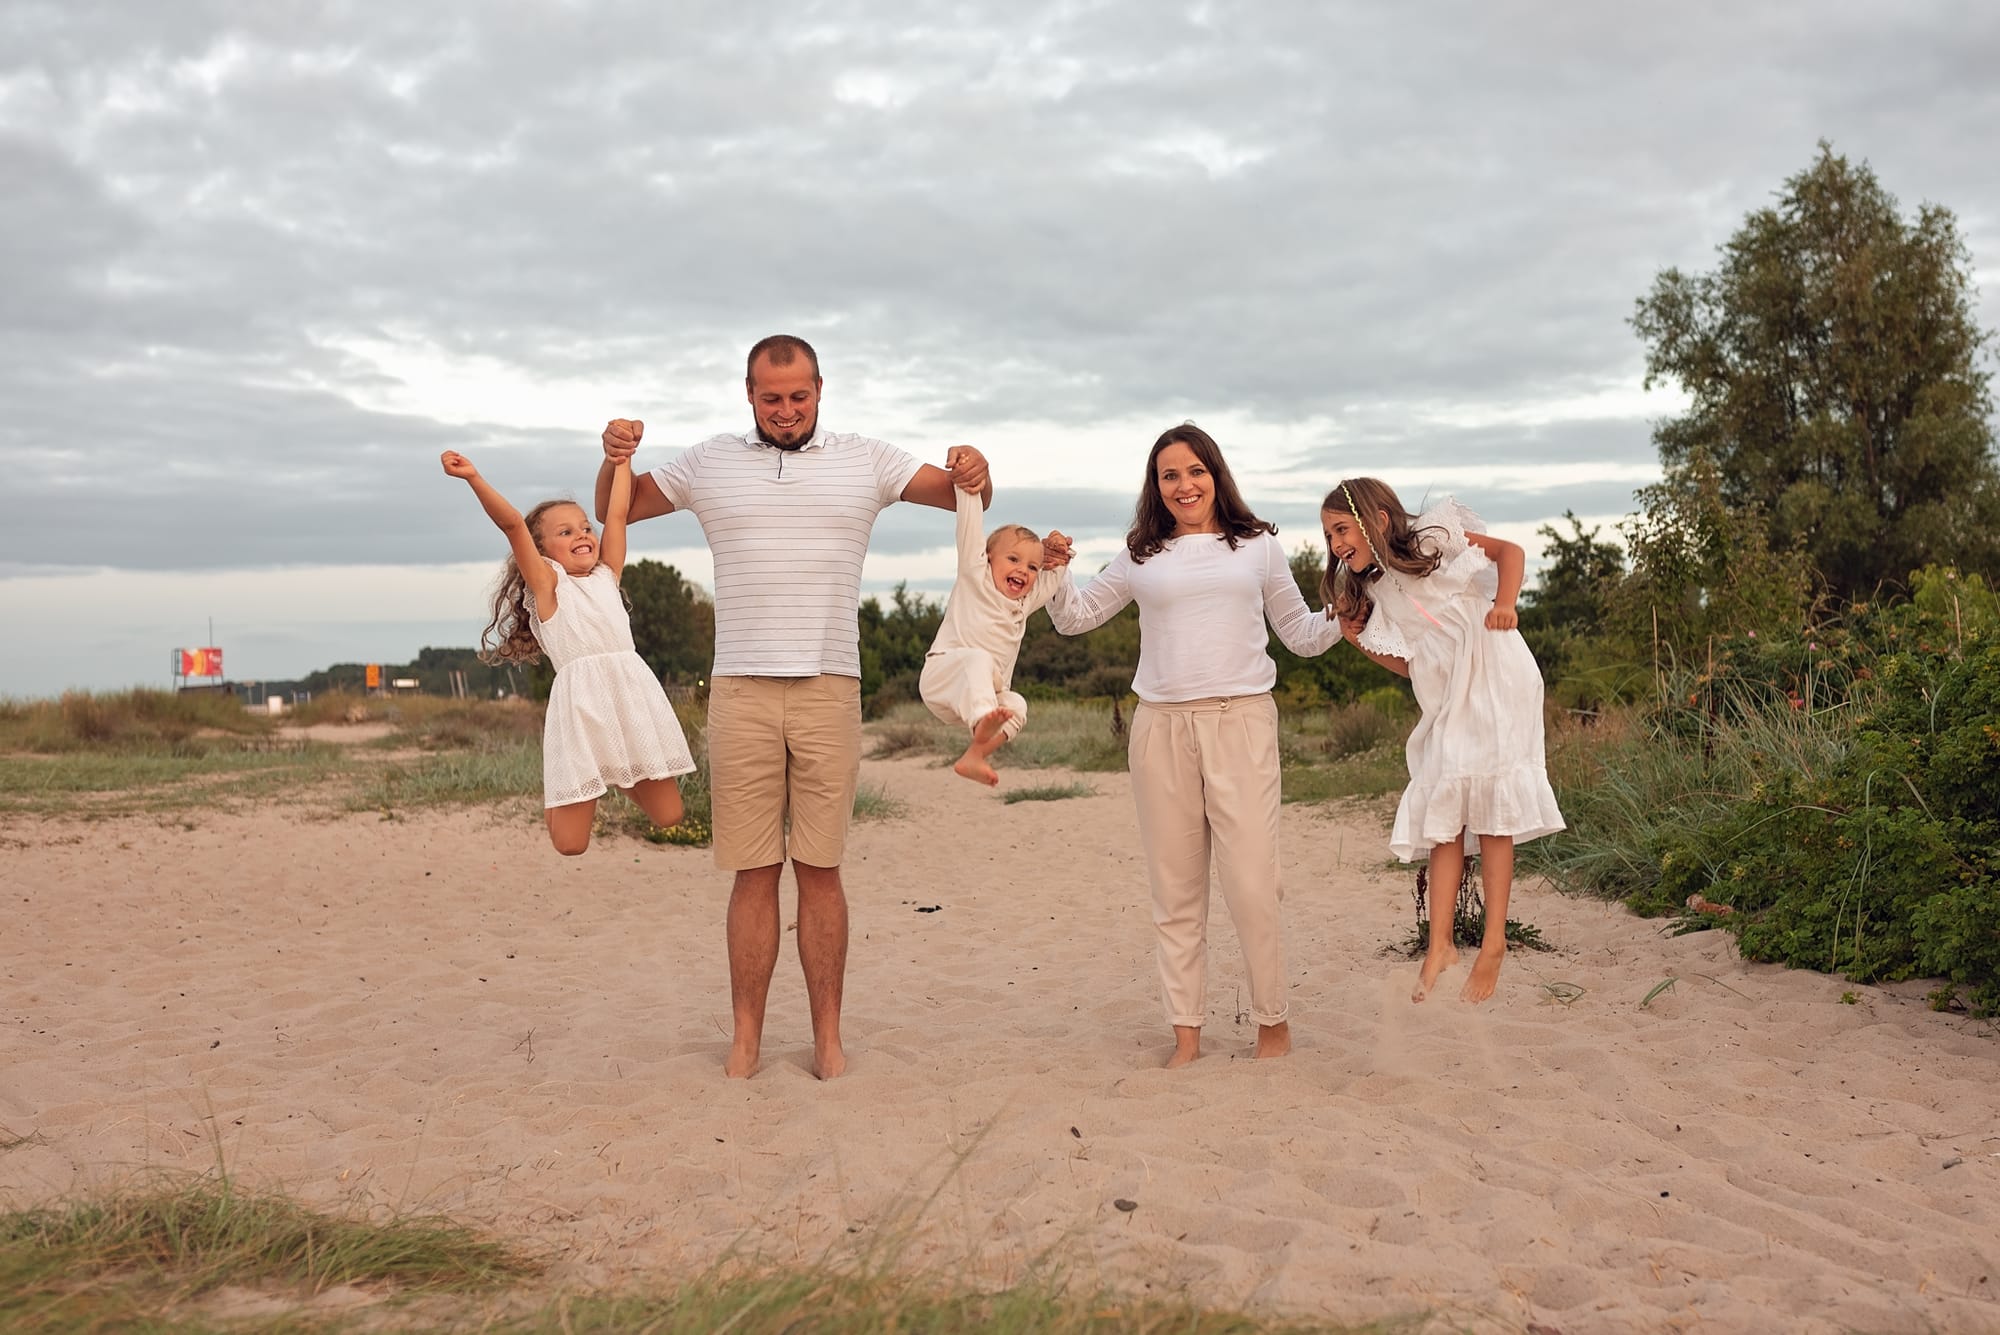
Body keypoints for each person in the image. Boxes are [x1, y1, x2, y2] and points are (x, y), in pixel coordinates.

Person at [596, 334, 989, 1080]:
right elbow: (621, 505)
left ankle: (827, 1041)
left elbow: (964, 493)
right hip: (739, 687)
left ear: (820, 391)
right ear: (749, 394)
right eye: (771, 397)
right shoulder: (710, 459)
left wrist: (976, 467)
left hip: (829, 684)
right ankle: (745, 1039)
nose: (785, 410)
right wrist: (613, 457)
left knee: (821, 868)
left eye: (798, 396)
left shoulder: (866, 457)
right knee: (752, 871)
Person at [1041, 423, 1340, 1069]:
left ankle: (1273, 1025)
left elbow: (1301, 633)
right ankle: (1187, 1034)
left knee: (1254, 884)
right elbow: (1075, 617)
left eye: (1195, 471)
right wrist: (1056, 572)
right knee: (1175, 893)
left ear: (1216, 474)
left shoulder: (1258, 546)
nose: (1184, 484)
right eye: (1169, 474)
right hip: (1161, 728)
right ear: (1156, 485)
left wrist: (1351, 609)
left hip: (1242, 722)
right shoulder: (1141, 555)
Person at [1319, 478, 1565, 1004]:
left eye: (1341, 528)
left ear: (1377, 519)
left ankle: (1494, 941)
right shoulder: (1374, 590)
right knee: (1444, 806)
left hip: (1495, 668)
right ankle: (1441, 945)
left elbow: (1509, 552)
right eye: (1329, 535)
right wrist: (1357, 639)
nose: (1336, 544)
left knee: (1490, 803)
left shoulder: (1433, 538)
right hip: (1445, 689)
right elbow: (1409, 667)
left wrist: (1506, 603)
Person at [443, 449, 695, 855]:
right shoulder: (548, 586)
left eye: (583, 528)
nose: (582, 535)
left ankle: (612, 772)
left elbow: (615, 515)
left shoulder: (607, 575)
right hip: (581, 711)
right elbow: (512, 525)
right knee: (570, 845)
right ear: (542, 552)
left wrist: (623, 458)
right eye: (565, 532)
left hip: (631, 701)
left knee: (670, 816)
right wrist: (473, 477)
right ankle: (572, 788)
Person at [918, 482, 1055, 785]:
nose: (1024, 570)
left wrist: (1060, 554)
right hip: (944, 677)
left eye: (1033, 567)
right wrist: (969, 483)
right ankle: (982, 720)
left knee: (1017, 704)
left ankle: (975, 755)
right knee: (979, 659)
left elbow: (1055, 575)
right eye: (1014, 559)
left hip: (981, 698)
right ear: (988, 557)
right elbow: (969, 521)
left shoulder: (1024, 601)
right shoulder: (974, 574)